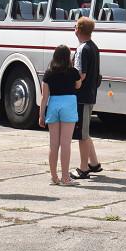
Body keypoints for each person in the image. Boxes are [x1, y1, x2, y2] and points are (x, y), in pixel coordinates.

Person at [39, 45, 81, 186]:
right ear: (68, 57)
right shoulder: (73, 71)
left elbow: (44, 97)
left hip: (53, 105)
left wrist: (41, 116)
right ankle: (65, 178)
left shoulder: (48, 73)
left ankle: (54, 176)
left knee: (54, 144)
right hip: (68, 104)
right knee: (65, 144)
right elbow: (78, 85)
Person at [70, 17, 102, 180]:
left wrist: (72, 85)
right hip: (90, 94)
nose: (73, 28)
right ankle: (94, 163)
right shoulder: (94, 47)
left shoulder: (82, 49)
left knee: (81, 134)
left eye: (75, 26)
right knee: (85, 130)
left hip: (81, 96)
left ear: (79, 30)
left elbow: (80, 74)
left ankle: (83, 168)